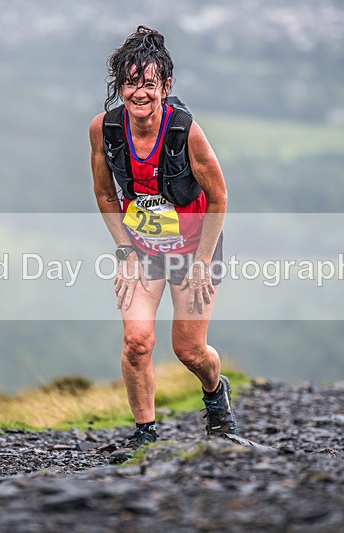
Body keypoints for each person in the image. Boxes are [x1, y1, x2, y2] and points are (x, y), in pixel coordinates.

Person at [88, 26, 236, 462]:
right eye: (130, 83)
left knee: (189, 350)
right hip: (144, 251)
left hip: (195, 250)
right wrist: (124, 251)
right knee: (136, 341)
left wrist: (203, 262)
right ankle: (146, 435)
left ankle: (215, 391)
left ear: (165, 87)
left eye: (148, 83)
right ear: (120, 85)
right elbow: (104, 193)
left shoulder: (186, 132)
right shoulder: (104, 129)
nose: (139, 93)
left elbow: (220, 196)